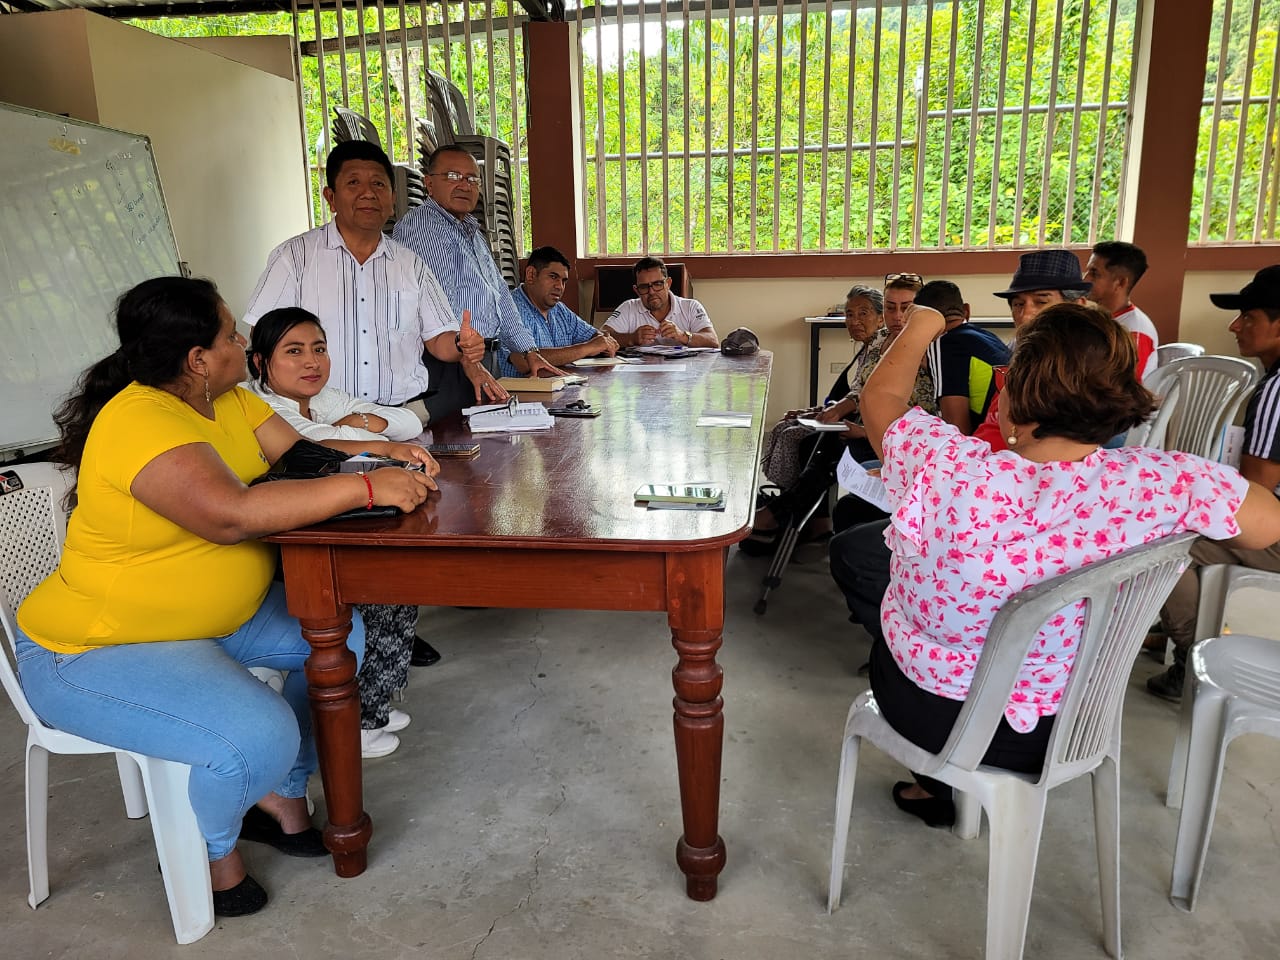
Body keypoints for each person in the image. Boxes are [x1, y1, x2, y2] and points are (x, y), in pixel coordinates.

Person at [14, 277, 436, 917]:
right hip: (97, 644)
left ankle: (281, 796)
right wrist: (369, 489)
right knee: (258, 736)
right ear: (197, 359)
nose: (243, 343)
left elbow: (303, 457)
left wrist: (384, 453)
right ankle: (207, 850)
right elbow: (230, 516)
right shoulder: (139, 422)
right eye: (232, 335)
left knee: (338, 640)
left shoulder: (231, 399)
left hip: (216, 619)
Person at [852, 299, 1280, 828]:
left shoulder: (946, 463)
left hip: (931, 714)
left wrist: (923, 322)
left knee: (880, 601)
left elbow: (880, 398)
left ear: (1015, 401)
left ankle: (938, 785)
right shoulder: (1157, 484)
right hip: (1065, 725)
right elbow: (1267, 523)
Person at [830, 257, 1089, 660]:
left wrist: (930, 469)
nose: (1026, 315)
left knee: (856, 547)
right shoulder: (1014, 353)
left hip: (984, 500)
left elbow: (896, 406)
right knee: (853, 509)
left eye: (1041, 302)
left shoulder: (1056, 372)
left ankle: (912, 639)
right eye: (1018, 304)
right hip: (973, 476)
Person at [245, 306, 428, 757]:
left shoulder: (324, 399)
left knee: (399, 583)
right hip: (285, 540)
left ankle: (374, 702)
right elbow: (311, 447)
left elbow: (408, 422)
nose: (311, 362)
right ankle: (359, 720)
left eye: (319, 349)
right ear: (260, 362)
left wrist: (358, 424)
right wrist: (367, 436)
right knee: (377, 589)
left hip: (331, 519)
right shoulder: (259, 404)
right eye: (294, 351)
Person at [243, 140, 500, 425]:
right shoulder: (294, 257)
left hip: (398, 417)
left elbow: (439, 340)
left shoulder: (410, 264)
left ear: (392, 200)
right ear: (331, 197)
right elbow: (263, 337)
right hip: (318, 420)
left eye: (378, 184)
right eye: (354, 183)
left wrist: (462, 344)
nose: (368, 193)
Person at [1148, 265, 1280, 700]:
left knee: (1162, 541)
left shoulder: (1277, 390)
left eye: (1248, 317)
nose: (1234, 326)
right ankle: (1173, 624)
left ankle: (1193, 656)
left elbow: (1256, 493)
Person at [743, 280, 935, 553]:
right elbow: (861, 390)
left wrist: (863, 431)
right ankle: (807, 521)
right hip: (869, 426)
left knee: (829, 450)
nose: (898, 316)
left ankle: (782, 514)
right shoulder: (880, 341)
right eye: (891, 307)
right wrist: (832, 410)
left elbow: (921, 415)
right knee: (813, 441)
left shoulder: (925, 351)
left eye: (906, 308)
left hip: (899, 439)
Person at [392, 146, 561, 419]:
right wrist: (467, 359)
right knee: (452, 438)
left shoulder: (471, 231)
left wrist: (528, 350)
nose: (464, 185)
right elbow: (439, 306)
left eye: (472, 179)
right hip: (448, 365)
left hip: (482, 360)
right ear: (429, 184)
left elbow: (500, 296)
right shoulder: (423, 227)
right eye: (453, 176)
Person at [503, 245, 618, 377]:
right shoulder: (510, 309)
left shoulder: (559, 310)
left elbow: (593, 335)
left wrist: (604, 343)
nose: (560, 286)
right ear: (531, 275)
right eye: (553, 277)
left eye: (564, 281)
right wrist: (588, 348)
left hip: (565, 385)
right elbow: (526, 361)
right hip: (524, 390)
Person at [923, 281, 1011, 434]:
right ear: (967, 311)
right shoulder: (989, 337)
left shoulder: (943, 344)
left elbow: (957, 428)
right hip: (1013, 435)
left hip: (988, 441)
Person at [602, 257, 719, 348]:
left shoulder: (691, 307)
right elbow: (602, 336)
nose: (651, 292)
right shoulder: (628, 307)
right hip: (640, 370)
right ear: (636, 290)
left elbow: (713, 341)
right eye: (644, 287)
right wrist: (631, 338)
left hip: (684, 369)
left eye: (657, 284)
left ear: (668, 284)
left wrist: (682, 336)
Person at [1084, 240, 1159, 381]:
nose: (1085, 279)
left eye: (1094, 273)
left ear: (1120, 282)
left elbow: (1127, 386)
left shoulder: (1134, 331)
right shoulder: (1100, 318)